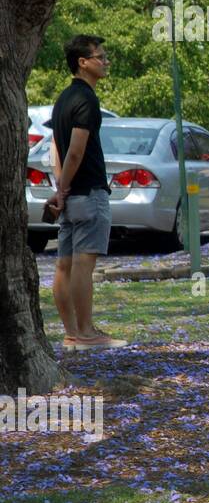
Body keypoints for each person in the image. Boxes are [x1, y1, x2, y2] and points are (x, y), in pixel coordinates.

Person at [48, 35, 128, 351]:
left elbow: (56, 149)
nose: (105, 61)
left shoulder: (62, 99)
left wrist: (60, 191)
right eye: (101, 56)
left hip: (70, 197)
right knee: (83, 266)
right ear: (83, 62)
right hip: (88, 194)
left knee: (64, 265)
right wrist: (64, 188)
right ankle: (85, 333)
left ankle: (72, 332)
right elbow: (76, 151)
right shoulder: (87, 100)